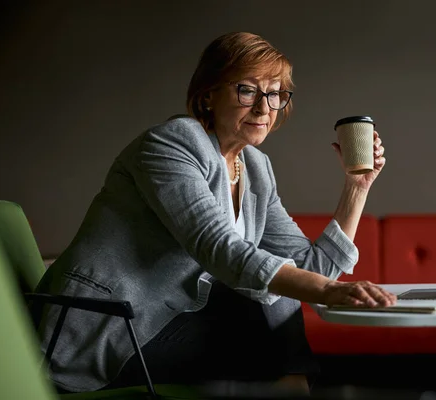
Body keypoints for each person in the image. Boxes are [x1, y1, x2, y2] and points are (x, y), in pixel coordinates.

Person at [33, 31, 395, 395]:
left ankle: (293, 389)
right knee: (262, 307)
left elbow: (309, 269)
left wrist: (356, 187)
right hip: (109, 329)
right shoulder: (171, 144)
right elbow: (218, 248)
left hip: (172, 324)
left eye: (274, 93)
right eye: (248, 90)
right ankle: (294, 389)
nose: (264, 108)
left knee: (276, 301)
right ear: (207, 95)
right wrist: (329, 290)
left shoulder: (254, 167)